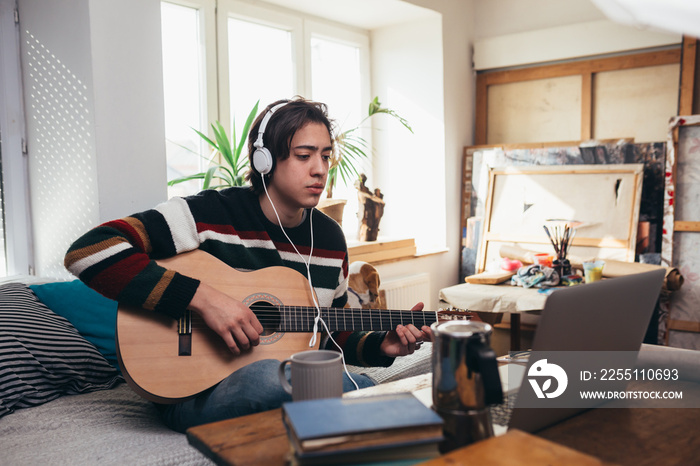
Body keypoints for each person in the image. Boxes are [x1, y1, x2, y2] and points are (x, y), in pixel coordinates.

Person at [64, 97, 431, 433]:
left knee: (331, 383)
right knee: (273, 379)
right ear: (264, 160)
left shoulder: (330, 239)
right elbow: (89, 250)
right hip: (191, 390)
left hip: (282, 380)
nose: (320, 169)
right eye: (304, 156)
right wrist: (204, 299)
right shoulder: (209, 213)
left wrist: (383, 347)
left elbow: (328, 335)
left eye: (326, 155)